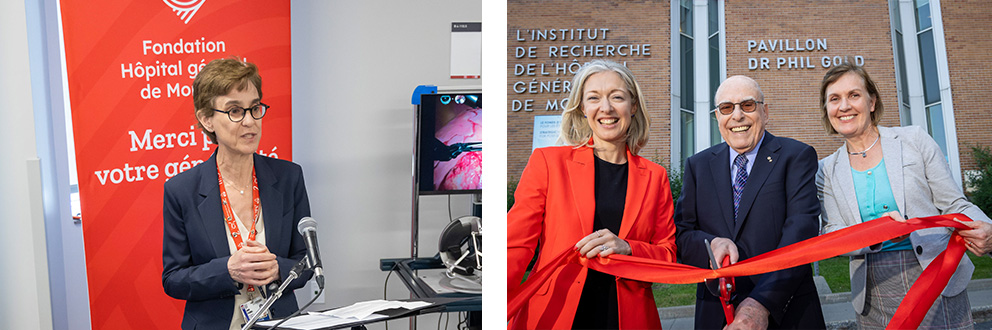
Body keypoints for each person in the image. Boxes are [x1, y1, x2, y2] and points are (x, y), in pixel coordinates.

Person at [816, 63, 992, 329]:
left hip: (936, 275)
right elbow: (834, 233)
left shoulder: (914, 140)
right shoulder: (826, 170)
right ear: (827, 110)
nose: (844, 106)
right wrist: (878, 233)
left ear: (872, 101)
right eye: (834, 99)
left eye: (854, 95)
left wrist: (986, 228)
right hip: (873, 290)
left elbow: (954, 203)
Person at [507, 59, 677, 329]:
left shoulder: (655, 176)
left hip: (628, 318)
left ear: (633, 107)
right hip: (554, 314)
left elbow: (667, 255)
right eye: (594, 98)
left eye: (617, 97)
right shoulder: (548, 163)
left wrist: (629, 248)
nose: (606, 108)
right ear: (583, 108)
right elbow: (515, 246)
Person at [162, 57, 312, 330]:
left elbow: (307, 260)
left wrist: (278, 269)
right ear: (207, 119)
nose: (249, 121)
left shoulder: (289, 177)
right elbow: (173, 279)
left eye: (255, 108)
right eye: (234, 111)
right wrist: (228, 270)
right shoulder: (181, 190)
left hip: (280, 323)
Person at [675, 75, 826, 329]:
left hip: (786, 312)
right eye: (726, 108)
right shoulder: (697, 166)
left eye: (747, 105)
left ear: (764, 112)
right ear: (717, 118)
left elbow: (800, 234)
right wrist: (711, 244)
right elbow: (681, 235)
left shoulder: (796, 156)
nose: (737, 116)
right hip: (715, 313)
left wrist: (761, 303)